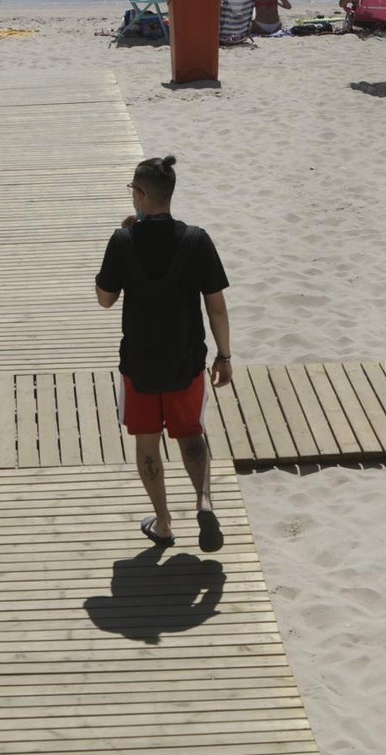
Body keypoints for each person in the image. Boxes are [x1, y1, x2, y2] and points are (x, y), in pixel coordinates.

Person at [95, 155, 232, 553]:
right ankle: (203, 501)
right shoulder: (196, 239)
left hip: (139, 363)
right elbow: (216, 305)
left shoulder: (123, 240)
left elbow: (105, 300)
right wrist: (224, 356)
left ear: (140, 195)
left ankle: (165, 522)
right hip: (186, 360)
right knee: (191, 435)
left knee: (147, 444)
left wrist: (122, 241)